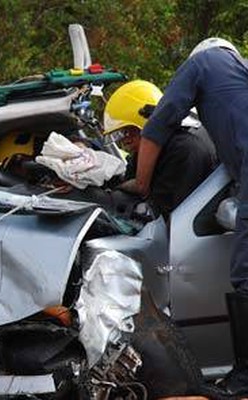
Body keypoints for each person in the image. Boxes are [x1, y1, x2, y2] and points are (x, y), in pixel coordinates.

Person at [136, 37, 248, 395]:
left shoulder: (202, 64)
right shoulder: (237, 77)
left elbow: (156, 127)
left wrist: (140, 184)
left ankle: (245, 376)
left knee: (246, 273)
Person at [103, 80, 217, 216]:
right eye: (119, 134)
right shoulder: (144, 152)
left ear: (145, 124)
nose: (124, 141)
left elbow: (160, 214)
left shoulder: (184, 150)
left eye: (126, 131)